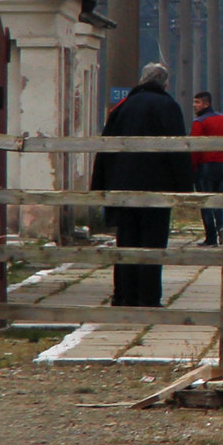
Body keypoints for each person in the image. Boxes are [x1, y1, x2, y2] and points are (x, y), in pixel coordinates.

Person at [89, 63, 194, 307]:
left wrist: (100, 188)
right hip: (156, 188)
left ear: (141, 80)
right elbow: (178, 150)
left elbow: (105, 150)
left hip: (122, 187)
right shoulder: (169, 106)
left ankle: (123, 294)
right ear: (165, 84)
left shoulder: (122, 108)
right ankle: (148, 296)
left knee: (126, 242)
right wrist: (185, 190)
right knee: (153, 244)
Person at [189, 91, 223, 246]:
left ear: (206, 104)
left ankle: (211, 237)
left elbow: (195, 148)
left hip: (206, 166)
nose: (195, 105)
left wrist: (192, 168)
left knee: (206, 202)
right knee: (221, 201)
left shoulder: (200, 122)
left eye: (198, 102)